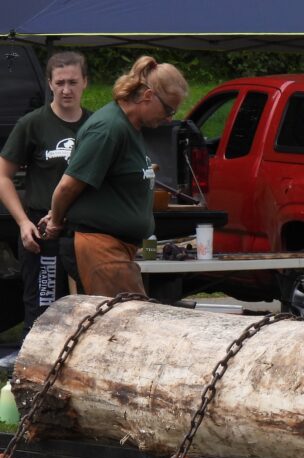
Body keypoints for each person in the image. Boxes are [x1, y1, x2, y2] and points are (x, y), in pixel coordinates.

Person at [42, 55, 188, 297]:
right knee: (125, 327)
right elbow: (67, 187)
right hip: (99, 248)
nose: (170, 118)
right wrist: (56, 221)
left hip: (116, 249)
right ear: (148, 96)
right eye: (169, 109)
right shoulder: (109, 129)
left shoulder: (130, 128)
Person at [0, 51, 90, 365]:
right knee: (43, 305)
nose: (67, 89)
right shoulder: (33, 123)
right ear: (50, 84)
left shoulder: (96, 126)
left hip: (85, 229)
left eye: (73, 82)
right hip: (43, 230)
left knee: (88, 306)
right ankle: (31, 366)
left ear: (85, 83)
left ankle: (82, 365)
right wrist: (23, 222)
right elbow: (3, 176)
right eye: (60, 82)